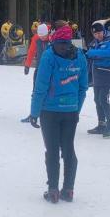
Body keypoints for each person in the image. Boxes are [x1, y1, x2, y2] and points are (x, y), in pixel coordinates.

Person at [27, 25, 88, 203]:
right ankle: (68, 190)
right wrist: (76, 108)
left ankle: (53, 190)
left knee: (52, 150)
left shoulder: (49, 55)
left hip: (50, 111)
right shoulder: (80, 56)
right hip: (70, 111)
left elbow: (41, 87)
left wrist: (34, 111)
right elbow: (83, 87)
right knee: (68, 149)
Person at [85, 20, 110, 138]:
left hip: (109, 74)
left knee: (103, 98)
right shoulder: (95, 42)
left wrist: (92, 53)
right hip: (97, 74)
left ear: (104, 31)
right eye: (95, 34)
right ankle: (101, 124)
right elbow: (88, 53)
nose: (98, 35)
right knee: (97, 99)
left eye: (99, 33)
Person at [20, 23, 51, 122]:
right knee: (35, 92)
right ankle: (33, 114)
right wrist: (27, 65)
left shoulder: (53, 39)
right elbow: (31, 51)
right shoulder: (36, 38)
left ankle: (48, 114)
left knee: (50, 93)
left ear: (48, 33)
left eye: (44, 36)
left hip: (51, 71)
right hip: (39, 68)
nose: (42, 38)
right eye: (40, 36)